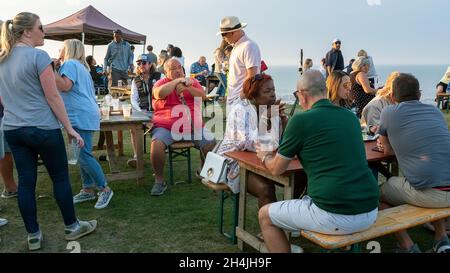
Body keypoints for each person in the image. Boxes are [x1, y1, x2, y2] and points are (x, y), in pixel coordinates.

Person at [0, 13, 97, 250]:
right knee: (60, 178)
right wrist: (70, 128)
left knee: (26, 183)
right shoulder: (38, 56)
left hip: (14, 129)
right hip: (43, 128)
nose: (44, 32)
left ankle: (33, 235)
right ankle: (72, 227)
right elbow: (53, 95)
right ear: (26, 32)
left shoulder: (2, 59)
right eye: (40, 28)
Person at [256, 70, 379, 253]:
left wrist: (265, 156)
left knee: (264, 215)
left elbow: (276, 169)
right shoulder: (350, 117)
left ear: (303, 94)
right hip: (370, 210)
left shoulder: (300, 120)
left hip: (334, 214)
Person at [377, 73, 450, 253]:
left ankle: (406, 245)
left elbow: (386, 151)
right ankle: (441, 239)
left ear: (392, 97)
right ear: (419, 94)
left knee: (378, 193)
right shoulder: (435, 110)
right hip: (445, 187)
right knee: (432, 177)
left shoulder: (388, 112)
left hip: (432, 194)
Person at [54, 39, 114, 209]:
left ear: (69, 49)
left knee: (83, 154)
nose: (60, 50)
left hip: (80, 114)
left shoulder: (70, 64)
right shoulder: (80, 67)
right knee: (80, 153)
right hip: (82, 113)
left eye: (62, 48)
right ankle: (87, 189)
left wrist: (52, 70)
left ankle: (104, 188)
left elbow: (65, 86)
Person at [215, 74, 289, 206]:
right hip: (235, 164)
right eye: (267, 91)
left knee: (300, 180)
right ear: (253, 96)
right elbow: (246, 143)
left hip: (263, 160)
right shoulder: (239, 111)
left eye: (273, 90)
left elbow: (278, 143)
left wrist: (284, 122)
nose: (272, 94)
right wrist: (265, 119)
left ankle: (290, 219)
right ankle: (269, 225)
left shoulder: (272, 110)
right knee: (265, 188)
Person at [150, 59, 216, 196]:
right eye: (173, 68)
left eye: (179, 67)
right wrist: (175, 82)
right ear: (166, 72)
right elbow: (159, 94)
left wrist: (187, 88)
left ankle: (203, 173)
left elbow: (203, 96)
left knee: (210, 142)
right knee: (156, 146)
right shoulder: (160, 83)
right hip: (166, 127)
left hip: (193, 126)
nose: (178, 70)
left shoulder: (191, 82)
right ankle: (159, 181)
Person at [217, 16, 261, 114]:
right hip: (234, 100)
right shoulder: (237, 47)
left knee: (243, 129)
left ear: (234, 32)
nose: (223, 38)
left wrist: (241, 98)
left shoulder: (249, 46)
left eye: (224, 34)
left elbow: (252, 76)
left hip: (242, 101)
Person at [127, 54, 161, 168]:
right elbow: (133, 99)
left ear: (150, 64)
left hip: (159, 112)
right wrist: (141, 113)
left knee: (157, 128)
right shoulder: (136, 80)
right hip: (143, 112)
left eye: (144, 63)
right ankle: (137, 157)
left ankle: (157, 156)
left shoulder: (160, 76)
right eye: (139, 63)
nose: (141, 65)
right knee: (133, 128)